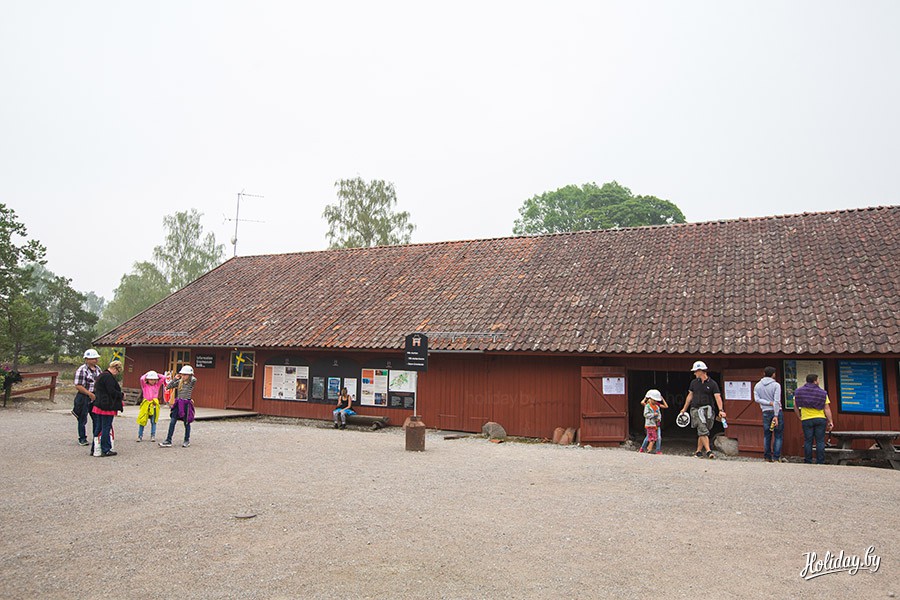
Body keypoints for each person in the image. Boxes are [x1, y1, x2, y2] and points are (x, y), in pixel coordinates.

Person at [679, 360, 726, 459]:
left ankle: (698, 451)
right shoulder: (693, 383)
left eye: (695, 371)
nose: (694, 373)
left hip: (708, 410)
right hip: (696, 409)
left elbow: (717, 397)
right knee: (702, 428)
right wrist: (684, 409)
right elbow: (690, 396)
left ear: (701, 371)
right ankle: (709, 451)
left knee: (704, 430)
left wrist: (721, 410)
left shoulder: (713, 384)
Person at [792, 373, 834, 464]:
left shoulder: (799, 392)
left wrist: (799, 416)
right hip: (820, 418)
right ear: (815, 381)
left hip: (806, 418)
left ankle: (808, 461)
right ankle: (820, 461)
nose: (818, 381)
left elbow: (795, 405)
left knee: (808, 441)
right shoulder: (822, 393)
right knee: (820, 441)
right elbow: (826, 408)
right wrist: (830, 421)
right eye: (818, 379)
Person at [91, 360, 125, 457]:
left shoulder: (102, 375)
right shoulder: (108, 377)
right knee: (106, 427)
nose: (117, 373)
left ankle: (95, 448)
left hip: (99, 404)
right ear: (115, 368)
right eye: (118, 371)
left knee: (98, 427)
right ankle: (105, 449)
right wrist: (121, 395)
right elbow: (111, 391)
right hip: (107, 406)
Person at [159, 366, 196, 448]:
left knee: (186, 423)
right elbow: (168, 386)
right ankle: (168, 440)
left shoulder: (191, 382)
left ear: (189, 375)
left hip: (186, 404)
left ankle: (186, 440)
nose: (184, 376)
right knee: (172, 421)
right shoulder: (179, 382)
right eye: (182, 374)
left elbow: (194, 379)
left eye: (186, 375)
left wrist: (190, 374)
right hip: (178, 403)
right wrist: (175, 379)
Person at [754, 366, 785, 462]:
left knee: (767, 435)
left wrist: (767, 403)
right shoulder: (776, 385)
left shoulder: (758, 385)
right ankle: (776, 457)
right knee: (778, 435)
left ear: (764, 373)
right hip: (776, 411)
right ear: (773, 374)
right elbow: (777, 401)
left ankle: (767, 456)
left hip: (765, 411)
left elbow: (757, 399)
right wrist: (776, 415)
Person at [72, 349, 102, 446]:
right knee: (82, 418)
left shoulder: (98, 369)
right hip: (84, 397)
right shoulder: (82, 370)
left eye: (96, 358)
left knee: (96, 418)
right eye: (93, 358)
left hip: (95, 396)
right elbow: (78, 385)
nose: (95, 360)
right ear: (87, 359)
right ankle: (82, 438)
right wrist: (89, 393)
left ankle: (96, 437)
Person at [136, 370, 166, 442]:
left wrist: (156, 374)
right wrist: (147, 374)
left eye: (154, 379)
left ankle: (153, 435)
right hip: (146, 405)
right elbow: (142, 379)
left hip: (154, 405)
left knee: (154, 421)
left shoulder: (157, 385)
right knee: (142, 420)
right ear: (147, 380)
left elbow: (164, 377)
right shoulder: (144, 386)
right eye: (151, 379)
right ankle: (140, 436)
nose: (153, 381)